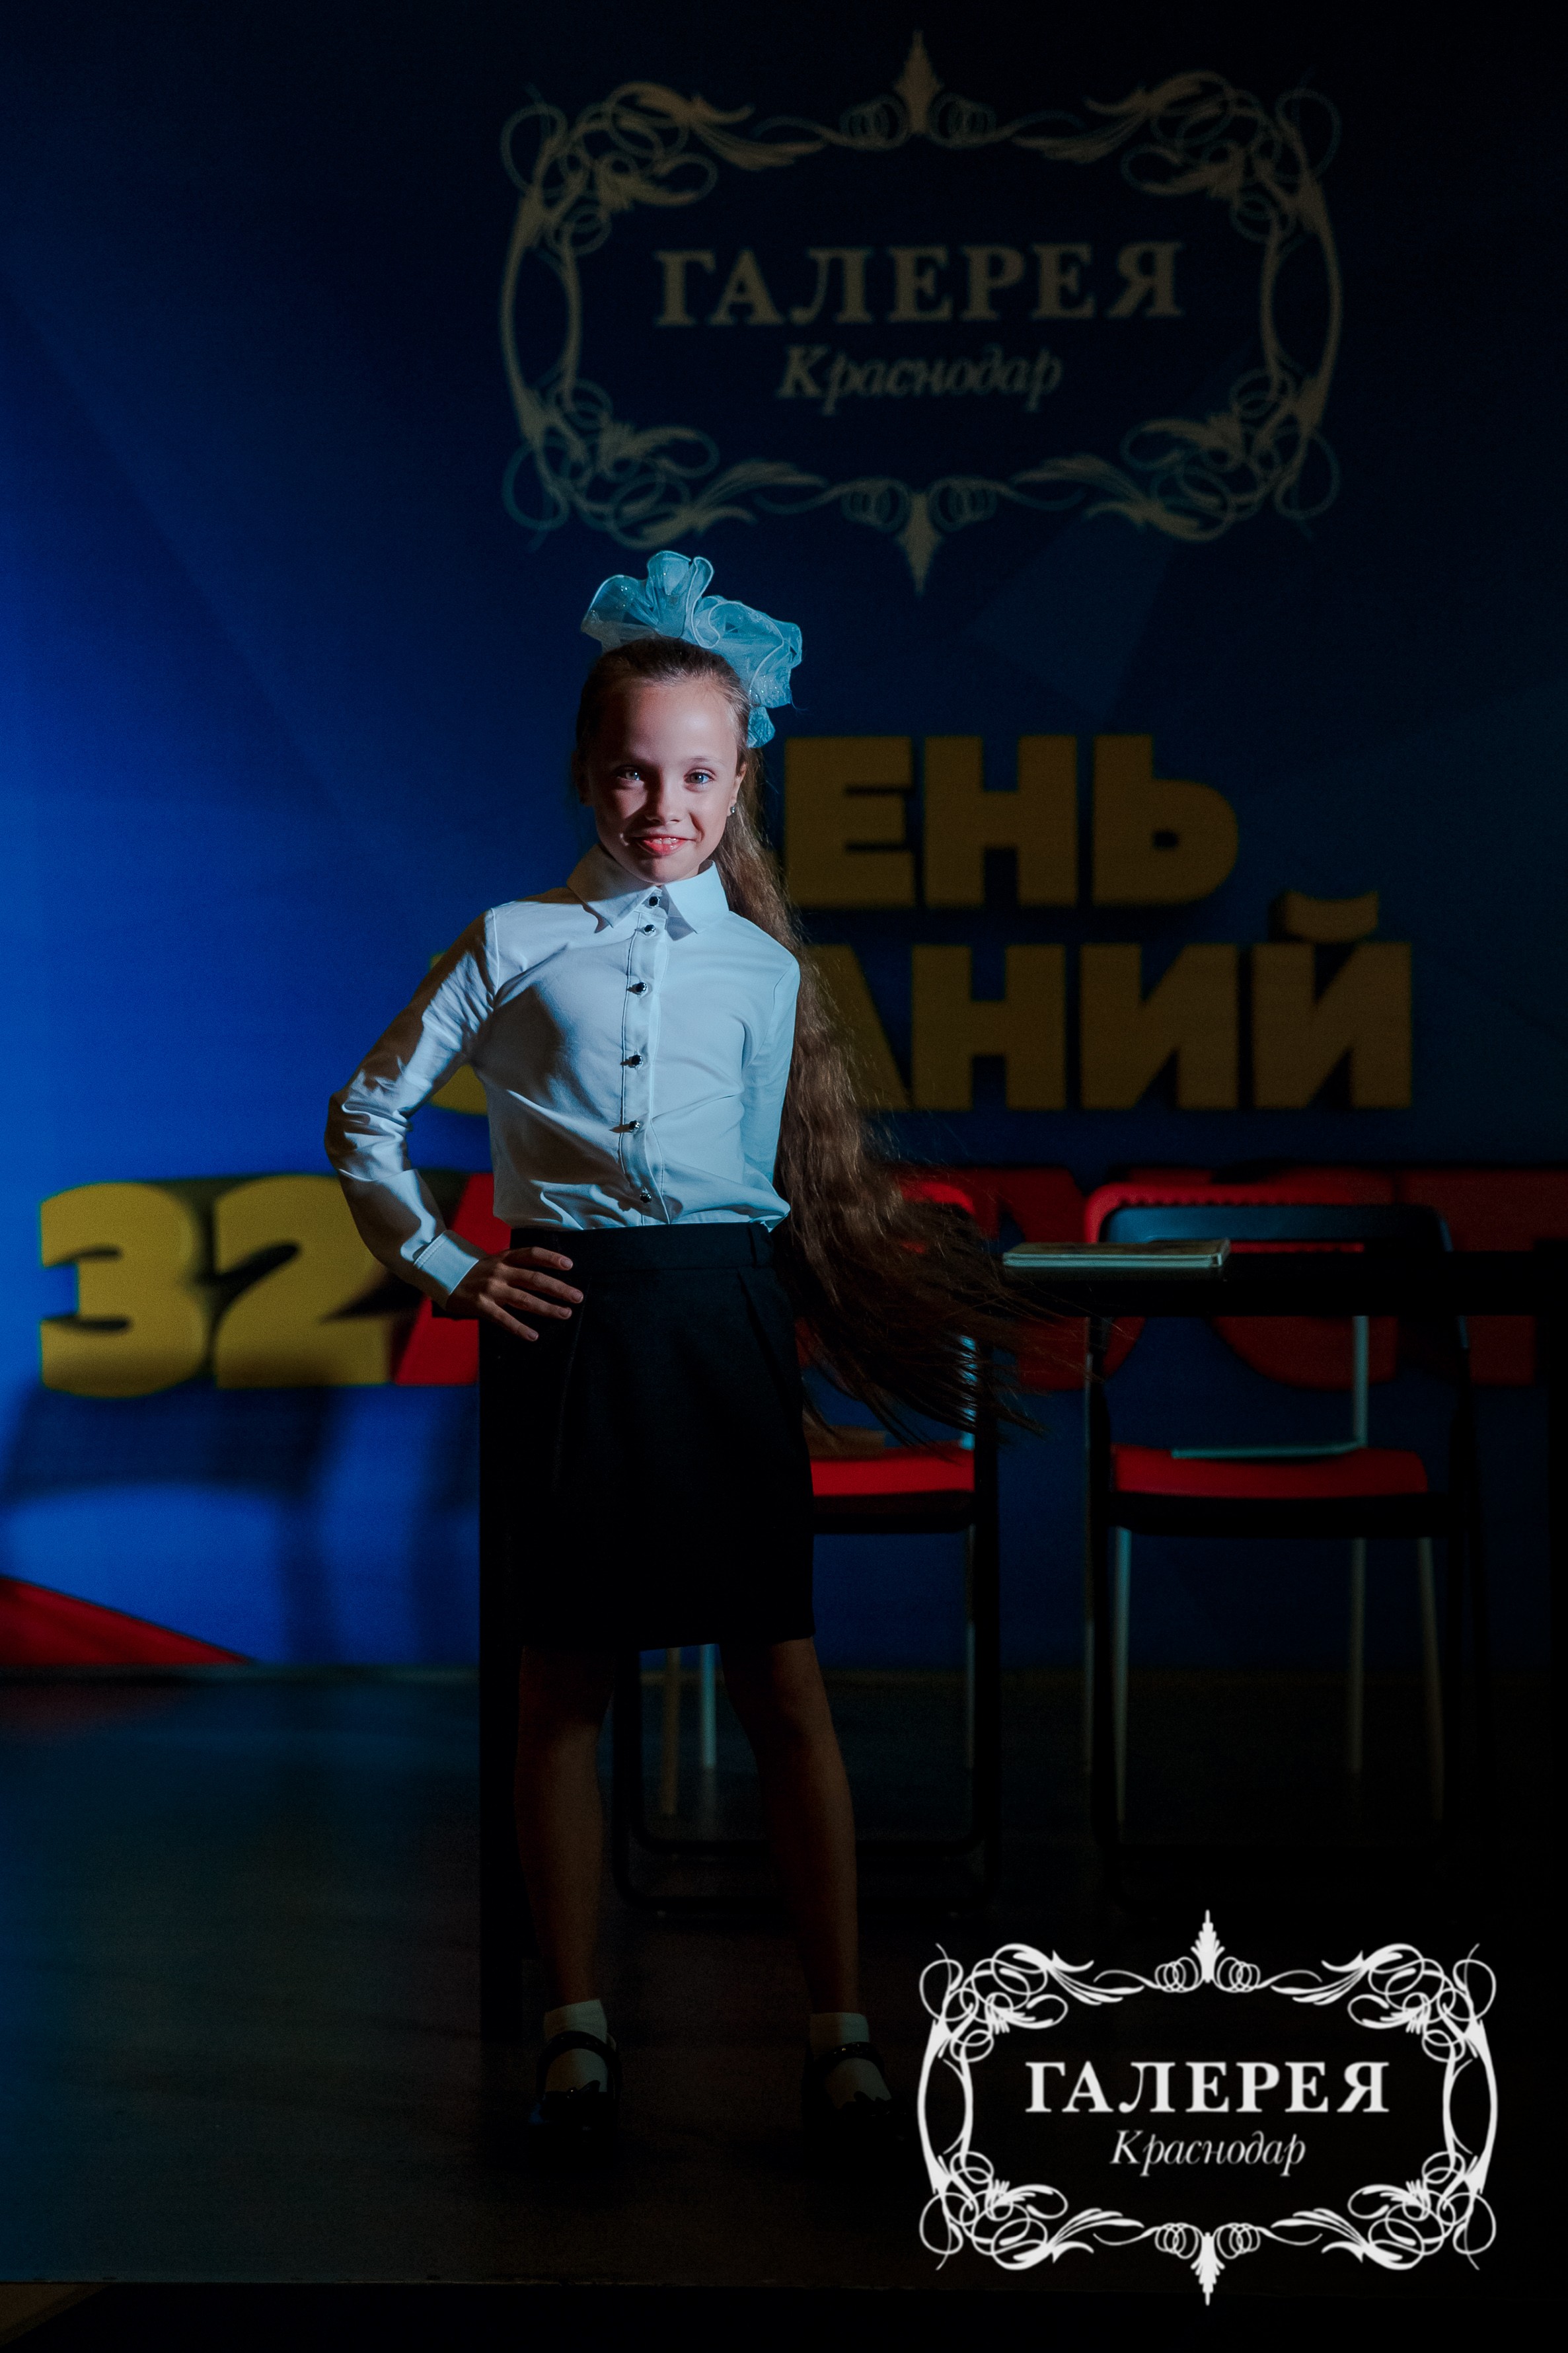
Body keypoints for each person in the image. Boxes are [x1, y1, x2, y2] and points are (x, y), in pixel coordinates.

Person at [325, 551, 1018, 2169]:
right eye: (634, 772)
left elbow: (770, 1185)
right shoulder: (510, 938)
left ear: (739, 780)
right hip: (569, 1325)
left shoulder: (769, 973)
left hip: (721, 1325)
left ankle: (840, 2037)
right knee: (563, 1684)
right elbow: (366, 1117)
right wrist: (446, 1267)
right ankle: (576, 2030)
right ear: (587, 768)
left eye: (698, 775)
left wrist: (796, 1340)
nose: (664, 805)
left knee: (781, 1680)